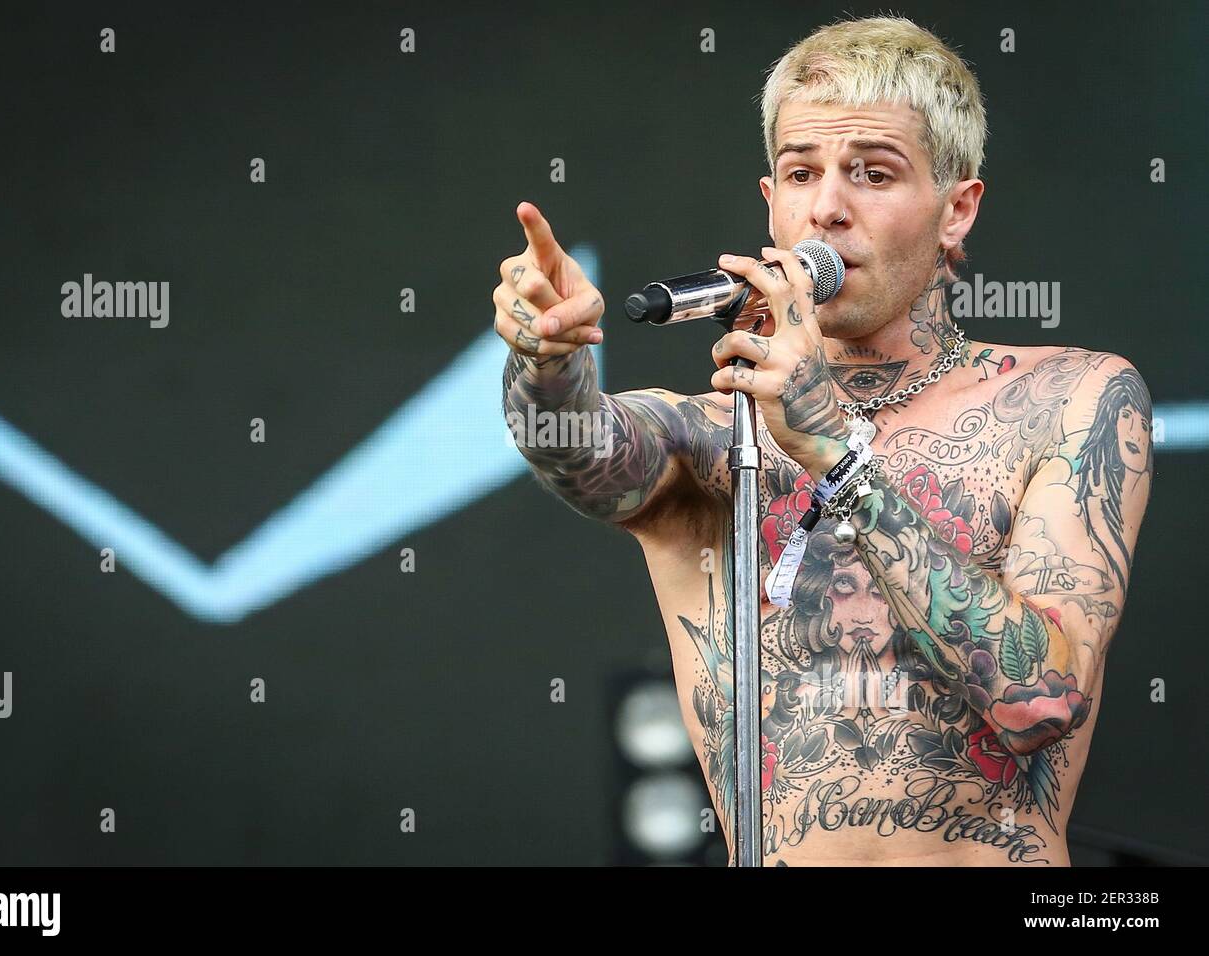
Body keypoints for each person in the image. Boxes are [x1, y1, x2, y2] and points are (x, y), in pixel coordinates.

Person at [492, 15, 1151, 866]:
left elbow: (1041, 701)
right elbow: (576, 453)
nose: (828, 207)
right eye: (801, 173)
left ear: (958, 210)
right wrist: (544, 359)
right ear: (771, 204)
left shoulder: (1074, 395)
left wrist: (838, 453)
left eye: (873, 173)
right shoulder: (718, 429)